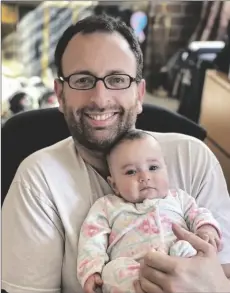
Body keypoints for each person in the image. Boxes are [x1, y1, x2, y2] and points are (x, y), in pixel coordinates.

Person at [2, 15, 230, 293]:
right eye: (83, 80)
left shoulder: (193, 159)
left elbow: (224, 268)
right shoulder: (37, 180)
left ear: (139, 93)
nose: (100, 98)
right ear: (60, 95)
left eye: (118, 79)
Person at [77, 130, 222, 293]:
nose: (144, 176)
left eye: (153, 167)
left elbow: (199, 214)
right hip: (135, 270)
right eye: (131, 171)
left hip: (179, 264)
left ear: (165, 170)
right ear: (114, 184)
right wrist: (91, 270)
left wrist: (206, 229)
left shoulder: (178, 198)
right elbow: (91, 239)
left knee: (187, 249)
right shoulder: (107, 206)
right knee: (112, 271)